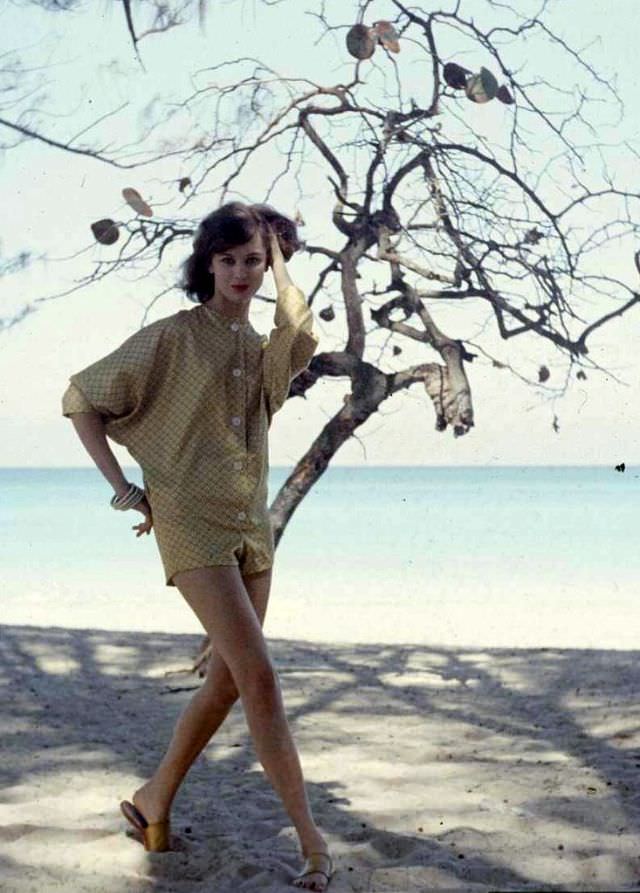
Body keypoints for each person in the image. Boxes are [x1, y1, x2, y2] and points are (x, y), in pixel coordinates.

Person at [61, 201, 333, 892]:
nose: (242, 272)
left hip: (249, 524)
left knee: (226, 681)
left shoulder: (261, 350)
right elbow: (82, 396)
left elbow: (299, 328)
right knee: (261, 676)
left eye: (255, 260)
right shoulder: (173, 337)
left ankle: (154, 800)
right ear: (208, 262)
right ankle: (312, 842)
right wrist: (125, 487)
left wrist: (279, 260)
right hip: (191, 523)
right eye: (231, 258)